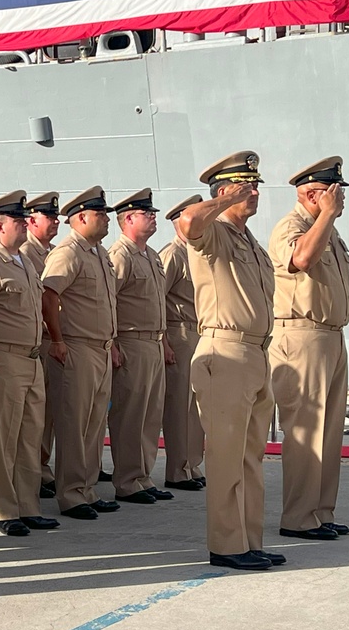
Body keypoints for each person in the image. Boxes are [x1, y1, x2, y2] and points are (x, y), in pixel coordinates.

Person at [179, 150, 282, 572]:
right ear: (225, 191)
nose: (255, 191)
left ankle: (249, 540)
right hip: (224, 352)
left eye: (255, 184)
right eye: (246, 186)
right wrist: (222, 200)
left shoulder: (248, 240)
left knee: (250, 456)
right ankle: (226, 544)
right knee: (224, 456)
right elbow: (187, 224)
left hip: (256, 352)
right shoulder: (215, 232)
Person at [269, 157, 349, 541]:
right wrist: (327, 218)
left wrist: (328, 221)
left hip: (330, 337)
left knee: (330, 431)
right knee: (306, 430)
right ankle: (299, 517)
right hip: (302, 336)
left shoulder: (329, 231)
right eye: (335, 193)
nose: (340, 200)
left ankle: (321, 510)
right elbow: (300, 259)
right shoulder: (292, 227)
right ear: (312, 194)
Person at [0, 190, 59, 536]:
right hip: (2, 358)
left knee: (29, 438)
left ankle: (28, 506)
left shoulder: (23, 261)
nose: (24, 225)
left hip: (30, 359)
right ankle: (4, 511)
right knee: (2, 439)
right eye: (17, 221)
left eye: (25, 220)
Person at [40, 186, 119, 521]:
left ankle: (86, 488)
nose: (106, 220)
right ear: (81, 218)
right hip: (77, 347)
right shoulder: (68, 252)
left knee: (92, 425)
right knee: (74, 425)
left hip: (100, 347)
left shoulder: (98, 252)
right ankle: (71, 494)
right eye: (100, 215)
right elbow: (48, 296)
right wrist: (57, 340)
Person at [107, 188, 173, 505]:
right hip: (131, 341)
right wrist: (113, 343)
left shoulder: (151, 255)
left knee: (150, 415)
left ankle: (143, 476)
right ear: (129, 219)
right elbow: (109, 301)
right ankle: (127, 480)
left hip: (153, 341)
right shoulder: (120, 255)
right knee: (130, 415)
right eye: (147, 213)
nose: (153, 217)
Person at [158, 195, 207, 492]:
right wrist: (163, 341)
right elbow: (156, 300)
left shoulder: (197, 252)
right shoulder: (173, 255)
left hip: (198, 332)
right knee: (178, 407)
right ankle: (177, 470)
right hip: (180, 333)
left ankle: (191, 464)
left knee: (195, 408)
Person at [20, 192, 60, 499]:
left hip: (45, 345)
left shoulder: (52, 252)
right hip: (35, 344)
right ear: (32, 220)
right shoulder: (22, 254)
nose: (56, 221)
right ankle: (38, 471)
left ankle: (43, 470)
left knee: (45, 415)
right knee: (33, 419)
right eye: (50, 217)